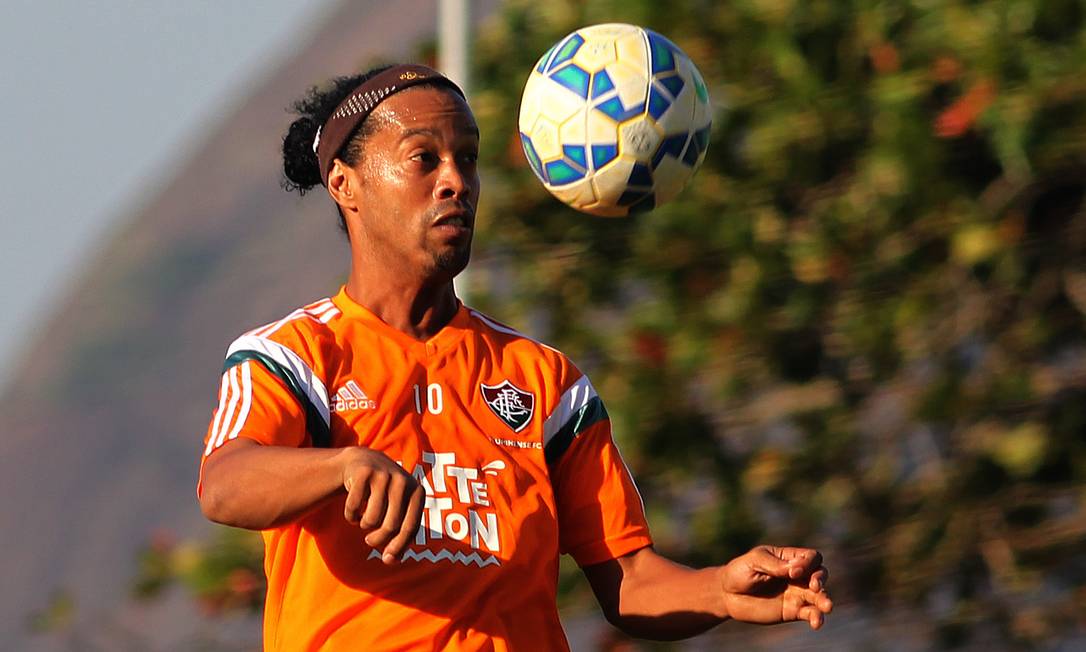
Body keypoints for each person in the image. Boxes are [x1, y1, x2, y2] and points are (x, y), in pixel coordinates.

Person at [197, 63, 832, 651]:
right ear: (346, 184)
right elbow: (226, 485)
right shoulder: (295, 354)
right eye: (424, 158)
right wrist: (340, 466)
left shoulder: (546, 381)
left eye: (467, 160)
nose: (456, 181)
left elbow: (628, 579)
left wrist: (719, 588)